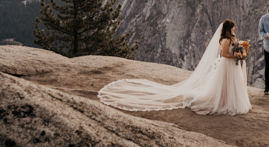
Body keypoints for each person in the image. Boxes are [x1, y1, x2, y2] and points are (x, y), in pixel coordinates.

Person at [98, 19, 251, 115]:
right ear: (228, 28)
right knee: (224, 85)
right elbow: (224, 55)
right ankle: (223, 102)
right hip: (227, 65)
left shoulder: (231, 39)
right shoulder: (224, 40)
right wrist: (236, 56)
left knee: (229, 86)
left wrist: (240, 50)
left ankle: (228, 101)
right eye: (233, 28)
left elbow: (233, 47)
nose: (234, 30)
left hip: (232, 66)